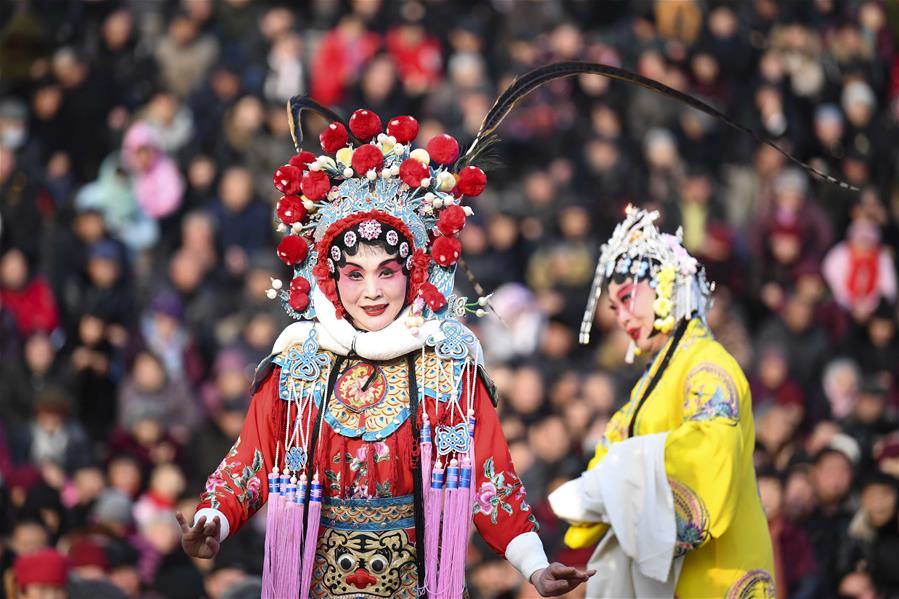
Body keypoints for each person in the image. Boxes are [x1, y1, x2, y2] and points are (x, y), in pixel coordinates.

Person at [177, 96, 593, 598]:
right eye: (354, 274)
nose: (371, 292)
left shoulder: (446, 364)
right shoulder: (300, 359)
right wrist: (213, 519)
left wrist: (534, 564)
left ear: (413, 272)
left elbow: (490, 476)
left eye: (386, 272)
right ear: (330, 281)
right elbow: (253, 460)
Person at [550, 206, 775, 597]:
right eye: (613, 308)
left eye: (627, 298)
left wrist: (611, 481)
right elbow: (610, 450)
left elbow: (706, 458)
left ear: (668, 289)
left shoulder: (708, 366)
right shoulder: (652, 381)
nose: (621, 318)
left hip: (716, 572)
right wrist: (595, 490)